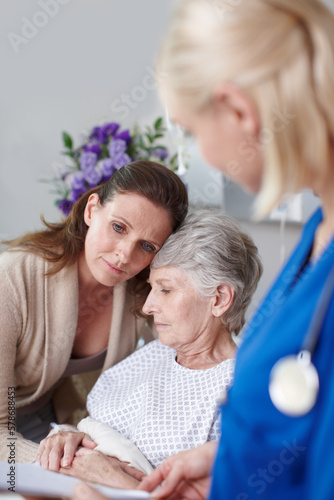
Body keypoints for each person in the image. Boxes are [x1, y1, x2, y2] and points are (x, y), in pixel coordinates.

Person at [135, 0, 334, 499]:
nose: (201, 152)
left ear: (239, 111)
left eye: (193, 131)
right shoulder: (318, 230)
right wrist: (231, 461)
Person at [35, 210, 262, 490]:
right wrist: (68, 436)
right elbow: (92, 423)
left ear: (219, 298)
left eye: (165, 290)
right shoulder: (155, 353)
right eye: (152, 287)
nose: (147, 306)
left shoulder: (240, 390)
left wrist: (114, 481)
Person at [0, 160, 188, 464]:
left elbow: (189, 347)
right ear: (91, 210)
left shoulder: (141, 292)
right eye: (118, 227)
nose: (125, 254)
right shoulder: (12, 277)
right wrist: (70, 465)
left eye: (147, 246)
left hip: (46, 422)